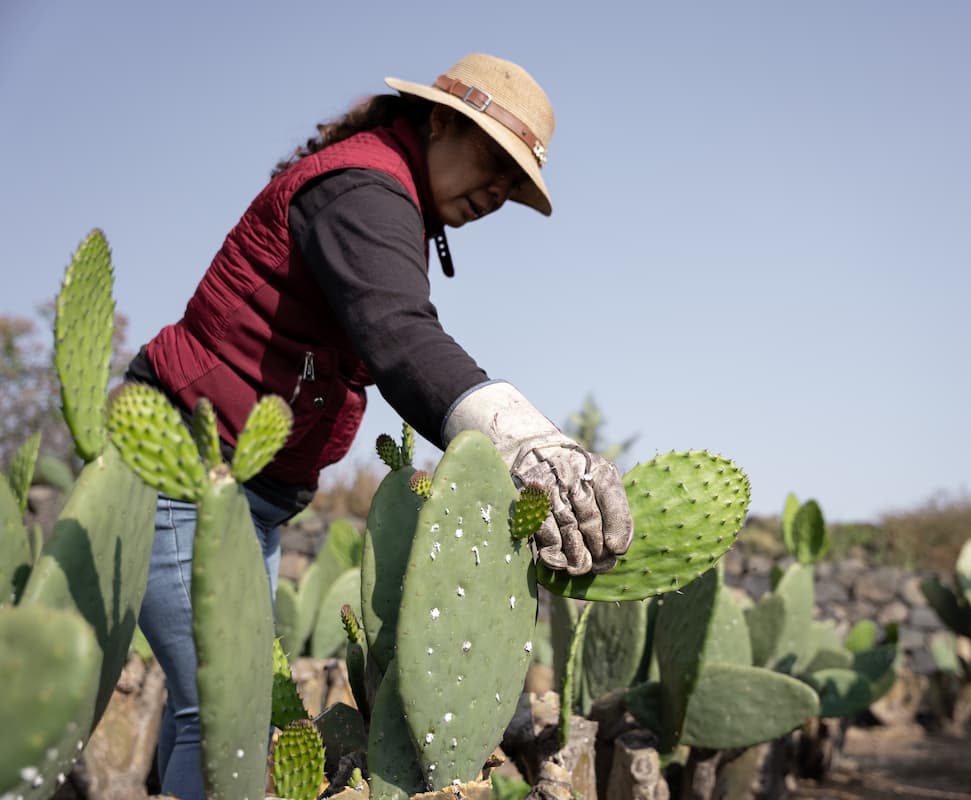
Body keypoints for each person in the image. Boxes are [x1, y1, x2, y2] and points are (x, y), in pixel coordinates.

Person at [126, 53, 634, 800]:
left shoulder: (385, 197)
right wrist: (526, 442)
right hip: (184, 472)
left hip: (249, 495)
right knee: (225, 716)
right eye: (494, 160)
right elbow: (399, 338)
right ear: (436, 121)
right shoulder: (362, 190)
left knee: (205, 711)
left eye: (514, 183)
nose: (498, 190)